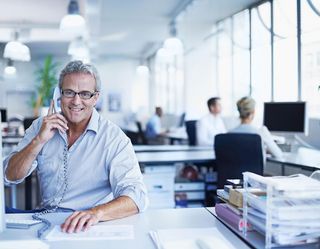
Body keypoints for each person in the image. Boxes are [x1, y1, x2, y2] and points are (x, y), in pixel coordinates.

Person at [3, 60, 148, 233]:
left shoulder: (114, 138)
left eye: (85, 94)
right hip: (45, 218)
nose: (76, 101)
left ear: (96, 98)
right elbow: (9, 176)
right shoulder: (39, 126)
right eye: (69, 92)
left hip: (90, 224)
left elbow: (137, 196)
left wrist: (95, 213)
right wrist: (38, 141)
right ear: (59, 94)